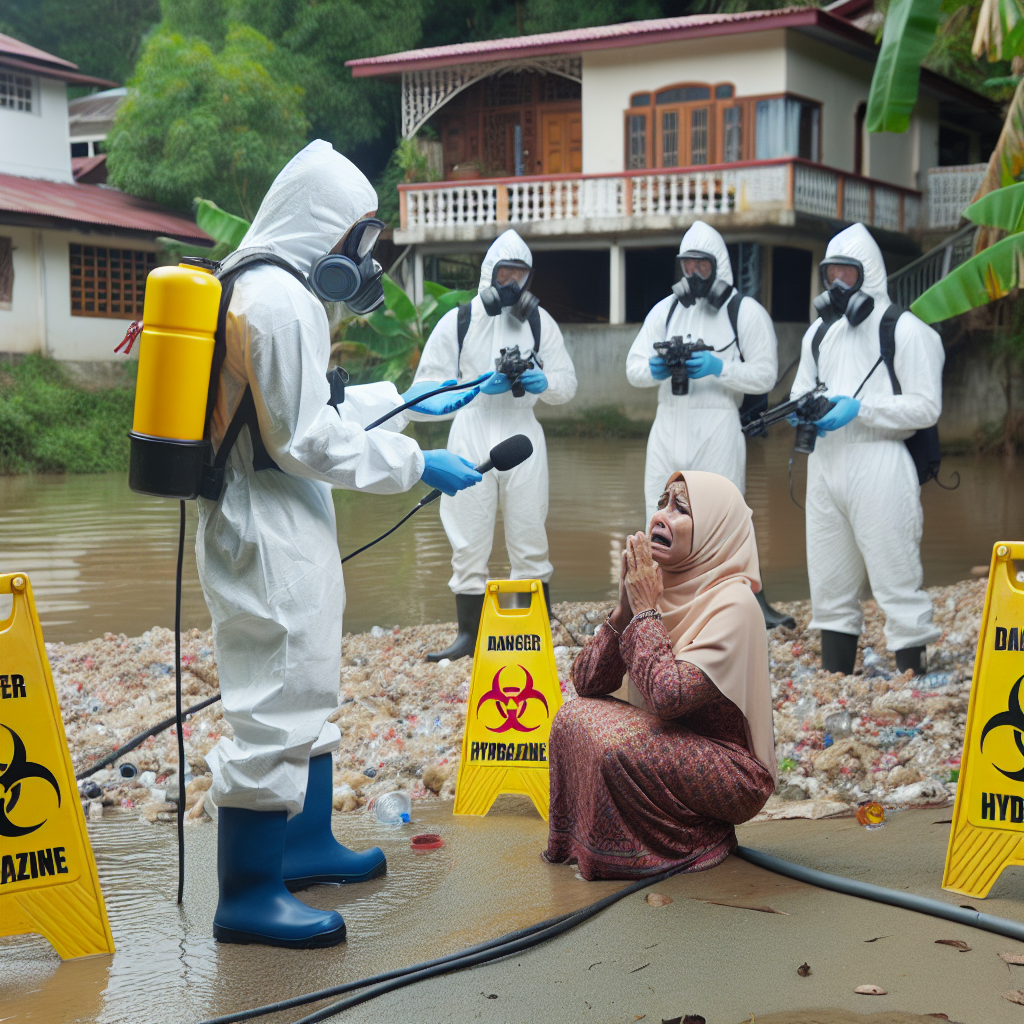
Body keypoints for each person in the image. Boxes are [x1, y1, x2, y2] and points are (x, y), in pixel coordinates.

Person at [198, 141, 484, 949]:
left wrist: (410, 399)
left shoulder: (267, 288)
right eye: (356, 242)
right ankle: (249, 894)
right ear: (322, 224)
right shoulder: (279, 300)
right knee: (275, 700)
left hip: (281, 511)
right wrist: (417, 459)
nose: (360, 264)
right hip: (266, 517)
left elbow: (302, 408)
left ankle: (305, 845)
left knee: (308, 679)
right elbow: (303, 441)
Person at [544, 471, 777, 880]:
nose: (661, 517)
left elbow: (669, 697)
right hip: (673, 742)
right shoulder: (657, 584)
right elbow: (587, 684)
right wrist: (623, 609)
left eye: (680, 509)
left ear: (713, 532)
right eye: (662, 503)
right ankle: (606, 844)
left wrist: (646, 610)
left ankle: (685, 844)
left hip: (733, 771)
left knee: (617, 748)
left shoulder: (735, 604)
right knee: (571, 717)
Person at [410, 229, 578, 661]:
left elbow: (567, 384)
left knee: (529, 532)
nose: (510, 285)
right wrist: (475, 388)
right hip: (471, 430)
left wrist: (545, 382)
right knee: (468, 536)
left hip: (523, 434)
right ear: (489, 273)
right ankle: (468, 635)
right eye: (503, 274)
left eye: (519, 275)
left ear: (528, 279)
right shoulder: (460, 321)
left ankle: (531, 629)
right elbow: (421, 395)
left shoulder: (541, 323)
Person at [791, 223, 943, 677]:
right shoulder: (819, 334)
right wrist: (802, 412)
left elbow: (926, 407)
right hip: (826, 465)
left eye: (847, 275)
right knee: (829, 576)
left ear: (868, 275)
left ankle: (910, 673)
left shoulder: (906, 330)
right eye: (830, 274)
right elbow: (802, 388)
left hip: (881, 462)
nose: (837, 285)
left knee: (896, 573)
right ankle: (838, 675)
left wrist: (861, 409)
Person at [626, 222, 790, 629]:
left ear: (719, 268)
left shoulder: (744, 312)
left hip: (719, 422)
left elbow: (766, 375)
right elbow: (632, 369)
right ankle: (659, 603)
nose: (695, 273)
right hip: (668, 420)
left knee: (723, 515)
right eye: (688, 265)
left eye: (703, 265)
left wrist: (720, 368)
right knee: (658, 514)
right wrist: (655, 367)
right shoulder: (664, 311)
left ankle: (745, 601)